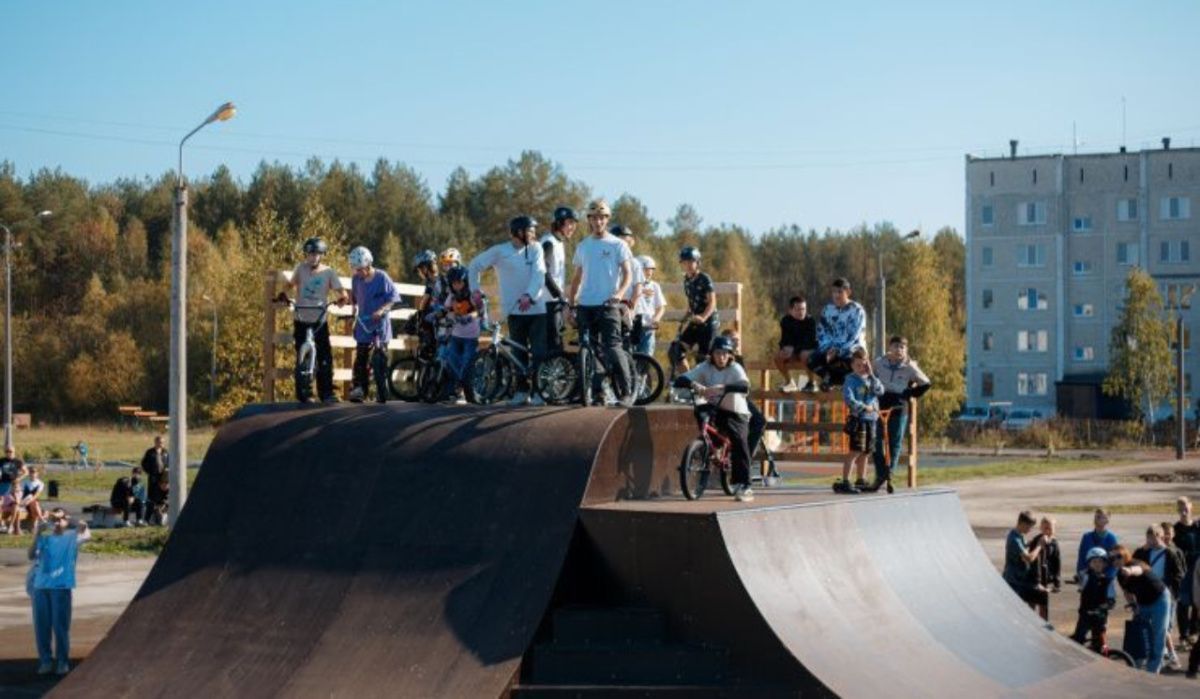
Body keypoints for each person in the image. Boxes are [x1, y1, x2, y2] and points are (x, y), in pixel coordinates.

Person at [469, 215, 548, 406]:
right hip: (513, 312)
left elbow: (539, 274)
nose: (534, 234)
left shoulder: (536, 248)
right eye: (530, 231)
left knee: (538, 352)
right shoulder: (500, 251)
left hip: (537, 310)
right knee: (517, 353)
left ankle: (540, 392)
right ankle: (521, 391)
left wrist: (529, 295)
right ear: (518, 232)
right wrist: (475, 290)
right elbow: (474, 266)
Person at [566, 199, 634, 405]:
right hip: (586, 304)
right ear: (589, 220)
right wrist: (570, 304)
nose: (598, 222)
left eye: (602, 218)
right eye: (594, 218)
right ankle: (598, 392)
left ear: (607, 220)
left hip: (608, 304)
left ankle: (626, 391)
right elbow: (577, 278)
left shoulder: (618, 245)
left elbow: (628, 274)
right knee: (588, 348)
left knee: (612, 346)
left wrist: (620, 294)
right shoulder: (583, 246)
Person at [672, 336, 754, 502]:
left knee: (739, 442)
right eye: (718, 353)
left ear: (730, 355)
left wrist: (724, 387)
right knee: (700, 411)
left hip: (736, 411)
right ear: (712, 354)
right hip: (716, 408)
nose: (721, 357)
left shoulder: (735, 368)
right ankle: (710, 447)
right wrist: (694, 385)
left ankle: (745, 485)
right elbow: (682, 379)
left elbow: (745, 386)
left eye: (725, 353)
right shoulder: (705, 367)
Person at [274, 236, 349, 403]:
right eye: (310, 254)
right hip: (301, 316)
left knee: (324, 357)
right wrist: (283, 295)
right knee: (300, 354)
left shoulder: (328, 272)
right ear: (306, 255)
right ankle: (304, 392)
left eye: (316, 254)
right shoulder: (300, 269)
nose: (313, 257)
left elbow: (340, 291)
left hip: (319, 319)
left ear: (321, 255)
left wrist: (342, 298)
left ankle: (327, 392)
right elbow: (289, 285)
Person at [27, 508, 90, 675]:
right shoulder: (45, 538)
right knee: (42, 627)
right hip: (40, 587)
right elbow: (31, 555)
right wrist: (37, 533)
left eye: (59, 520)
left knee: (60, 627)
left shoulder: (72, 537)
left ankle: (62, 661)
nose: (56, 523)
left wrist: (68, 519)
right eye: (53, 520)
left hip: (61, 587)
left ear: (66, 521)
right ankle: (46, 661)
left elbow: (84, 527)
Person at [867, 336, 931, 493]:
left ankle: (889, 475)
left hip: (898, 408)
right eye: (896, 346)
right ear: (890, 347)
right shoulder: (879, 363)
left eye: (902, 347)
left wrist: (908, 393)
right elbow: (869, 377)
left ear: (906, 350)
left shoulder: (910, 367)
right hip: (879, 406)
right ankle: (881, 474)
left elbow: (926, 383)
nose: (899, 350)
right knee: (875, 441)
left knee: (894, 444)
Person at [348, 245, 399, 403]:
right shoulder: (356, 279)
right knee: (361, 357)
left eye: (360, 269)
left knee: (381, 355)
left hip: (379, 322)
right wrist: (352, 314)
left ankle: (381, 387)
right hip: (364, 323)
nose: (358, 272)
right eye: (356, 269)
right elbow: (355, 300)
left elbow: (393, 298)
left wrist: (382, 310)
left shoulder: (382, 277)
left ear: (368, 264)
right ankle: (359, 389)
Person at [1112, 544, 1171, 674]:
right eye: (1112, 559)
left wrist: (1130, 571)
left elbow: (1138, 569)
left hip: (1159, 599)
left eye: (1118, 556)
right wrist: (1133, 605)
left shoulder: (1135, 563)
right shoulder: (1120, 575)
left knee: (1158, 633)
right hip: (1142, 603)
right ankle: (1136, 664)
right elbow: (1127, 592)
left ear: (1125, 555)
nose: (1115, 560)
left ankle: (1153, 669)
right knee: (1138, 632)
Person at [1136, 524, 1186, 670]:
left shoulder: (1170, 553)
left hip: (1165, 596)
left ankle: (1168, 656)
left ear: (1161, 536)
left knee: (1164, 628)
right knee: (1147, 626)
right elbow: (1132, 561)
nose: (1152, 540)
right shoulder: (1145, 552)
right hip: (1146, 595)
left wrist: (1167, 589)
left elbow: (1180, 574)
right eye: (1149, 538)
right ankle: (1157, 655)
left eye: (1155, 537)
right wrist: (1142, 549)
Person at [836, 348, 884, 494]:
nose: (861, 368)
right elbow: (849, 399)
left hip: (872, 420)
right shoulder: (850, 380)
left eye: (864, 364)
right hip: (859, 419)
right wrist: (864, 407)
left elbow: (880, 391)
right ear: (852, 365)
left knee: (866, 451)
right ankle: (845, 481)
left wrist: (872, 375)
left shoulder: (871, 379)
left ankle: (861, 480)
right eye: (858, 365)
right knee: (855, 451)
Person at [807, 278, 866, 390]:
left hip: (852, 349)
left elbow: (854, 336)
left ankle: (842, 382)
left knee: (849, 360)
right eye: (834, 292)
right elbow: (821, 331)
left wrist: (838, 350)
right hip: (831, 348)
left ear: (848, 292)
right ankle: (829, 378)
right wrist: (828, 348)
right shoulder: (827, 310)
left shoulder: (857, 310)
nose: (836, 295)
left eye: (840, 292)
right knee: (811, 360)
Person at [669, 246, 719, 377]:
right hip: (695, 321)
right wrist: (686, 316)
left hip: (708, 323)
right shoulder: (686, 281)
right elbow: (692, 303)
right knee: (675, 350)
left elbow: (712, 302)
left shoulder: (704, 278)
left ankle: (707, 390)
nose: (688, 265)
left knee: (703, 359)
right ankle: (690, 381)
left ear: (697, 263)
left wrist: (703, 317)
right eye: (685, 262)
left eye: (691, 262)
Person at [441, 266, 480, 404]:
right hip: (456, 336)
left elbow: (478, 311)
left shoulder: (471, 295)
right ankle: (455, 391)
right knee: (453, 363)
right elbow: (446, 310)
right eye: (454, 283)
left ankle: (471, 394)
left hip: (471, 337)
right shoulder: (451, 297)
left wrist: (469, 317)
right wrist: (436, 314)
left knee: (467, 364)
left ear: (466, 282)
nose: (457, 286)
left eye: (460, 282)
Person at [541, 206, 578, 351]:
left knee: (557, 343)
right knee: (554, 345)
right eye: (570, 223)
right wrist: (559, 295)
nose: (572, 228)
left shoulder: (558, 243)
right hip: (548, 302)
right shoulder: (549, 242)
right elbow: (543, 271)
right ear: (559, 223)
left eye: (574, 224)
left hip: (555, 301)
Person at [1002, 510, 1049, 620]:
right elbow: (1029, 558)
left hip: (1020, 579)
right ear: (1022, 523)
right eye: (1030, 527)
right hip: (1013, 581)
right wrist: (1039, 546)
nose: (1030, 530)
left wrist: (1030, 543)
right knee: (1015, 612)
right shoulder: (1014, 539)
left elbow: (1023, 547)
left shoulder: (1019, 535)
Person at [1072, 546, 1116, 653]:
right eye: (1094, 561)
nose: (1097, 564)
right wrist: (1077, 579)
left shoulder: (1108, 581)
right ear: (1089, 563)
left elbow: (1111, 601)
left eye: (1100, 561)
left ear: (1105, 564)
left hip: (1100, 617)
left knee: (1100, 643)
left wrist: (1103, 607)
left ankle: (1101, 655)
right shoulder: (1085, 576)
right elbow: (1080, 576)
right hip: (1085, 615)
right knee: (1078, 639)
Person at [774, 296, 818, 393]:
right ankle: (789, 382)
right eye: (798, 309)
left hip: (808, 350)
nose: (801, 312)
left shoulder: (810, 321)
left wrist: (793, 349)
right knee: (778, 357)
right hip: (794, 351)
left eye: (803, 309)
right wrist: (785, 348)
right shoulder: (785, 321)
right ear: (790, 310)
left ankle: (811, 383)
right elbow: (784, 339)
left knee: (804, 355)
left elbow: (810, 342)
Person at [1174, 496, 1199, 650]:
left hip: (1198, 571)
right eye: (1180, 507)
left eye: (1185, 506)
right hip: (1183, 572)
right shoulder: (1175, 529)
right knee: (1183, 604)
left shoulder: (1198, 527)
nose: (1183, 510)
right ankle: (1183, 636)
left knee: (1198, 603)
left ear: (1191, 507)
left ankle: (1194, 633)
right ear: (1177, 510)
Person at [1077, 508, 1119, 592]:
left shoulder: (1112, 538)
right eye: (1096, 517)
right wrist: (1081, 575)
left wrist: (1107, 577)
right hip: (1089, 579)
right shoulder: (1086, 537)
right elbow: (1081, 558)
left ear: (1107, 520)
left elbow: (1115, 562)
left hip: (1105, 580)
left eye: (1101, 517)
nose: (1097, 519)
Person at [632, 255, 666, 356]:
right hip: (633, 325)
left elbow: (661, 307)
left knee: (647, 355)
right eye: (647, 270)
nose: (650, 273)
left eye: (651, 270)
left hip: (648, 328)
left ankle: (644, 372)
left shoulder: (655, 286)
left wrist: (656, 319)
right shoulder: (631, 285)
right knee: (632, 354)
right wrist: (641, 291)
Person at [141, 436, 169, 525]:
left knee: (163, 498)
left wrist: (166, 474)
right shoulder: (150, 452)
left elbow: (168, 463)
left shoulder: (166, 452)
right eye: (159, 442)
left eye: (162, 442)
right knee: (152, 499)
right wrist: (150, 471)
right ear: (155, 442)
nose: (161, 444)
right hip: (153, 478)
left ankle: (160, 518)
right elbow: (144, 463)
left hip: (163, 478)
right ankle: (146, 519)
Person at [1031, 516, 1063, 594]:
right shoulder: (1036, 541)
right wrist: (1036, 581)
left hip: (1046, 577)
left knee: (1044, 603)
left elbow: (1057, 563)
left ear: (1054, 530)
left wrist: (1057, 582)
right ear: (1040, 528)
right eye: (1045, 528)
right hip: (1034, 578)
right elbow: (1033, 561)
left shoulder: (1054, 543)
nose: (1048, 531)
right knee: (1032, 601)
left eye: (1050, 529)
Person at [0, 446, 27, 535]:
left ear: (14, 452)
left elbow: (25, 472)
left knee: (16, 504)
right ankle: (2, 524)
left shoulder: (18, 461)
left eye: (11, 451)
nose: (9, 453)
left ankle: (12, 526)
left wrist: (19, 478)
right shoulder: (2, 461)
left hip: (14, 485)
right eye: (7, 451)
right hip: (3, 484)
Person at [19, 465, 46, 532]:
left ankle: (34, 526)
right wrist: (23, 502)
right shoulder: (24, 482)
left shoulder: (40, 483)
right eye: (31, 472)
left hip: (32, 501)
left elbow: (36, 495)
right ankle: (40, 520)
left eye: (34, 472)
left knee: (34, 503)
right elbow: (20, 493)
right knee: (36, 504)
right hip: (24, 501)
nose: (32, 474)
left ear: (37, 473)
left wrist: (30, 500)